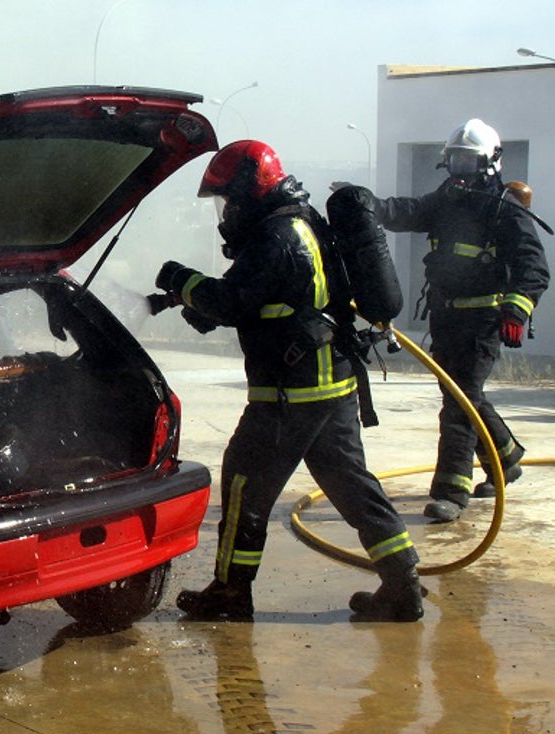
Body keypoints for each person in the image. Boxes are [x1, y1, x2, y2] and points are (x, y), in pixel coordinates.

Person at [153, 139, 422, 622]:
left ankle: (231, 593)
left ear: (249, 192)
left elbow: (235, 300)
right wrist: (202, 305)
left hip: (291, 390)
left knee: (242, 482)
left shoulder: (275, 237)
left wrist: (180, 280)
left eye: (229, 199)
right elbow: (271, 297)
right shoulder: (302, 223)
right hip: (332, 384)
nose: (226, 211)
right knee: (350, 484)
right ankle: (403, 582)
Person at [348, 119, 549, 522]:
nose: (459, 170)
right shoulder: (445, 200)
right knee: (464, 397)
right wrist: (366, 203)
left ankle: (451, 492)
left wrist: (516, 309)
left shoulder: (503, 210)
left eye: (467, 162)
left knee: (459, 405)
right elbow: (407, 211)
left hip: (483, 321)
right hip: (446, 317)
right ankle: (506, 460)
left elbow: (534, 267)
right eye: (454, 161)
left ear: (489, 163)